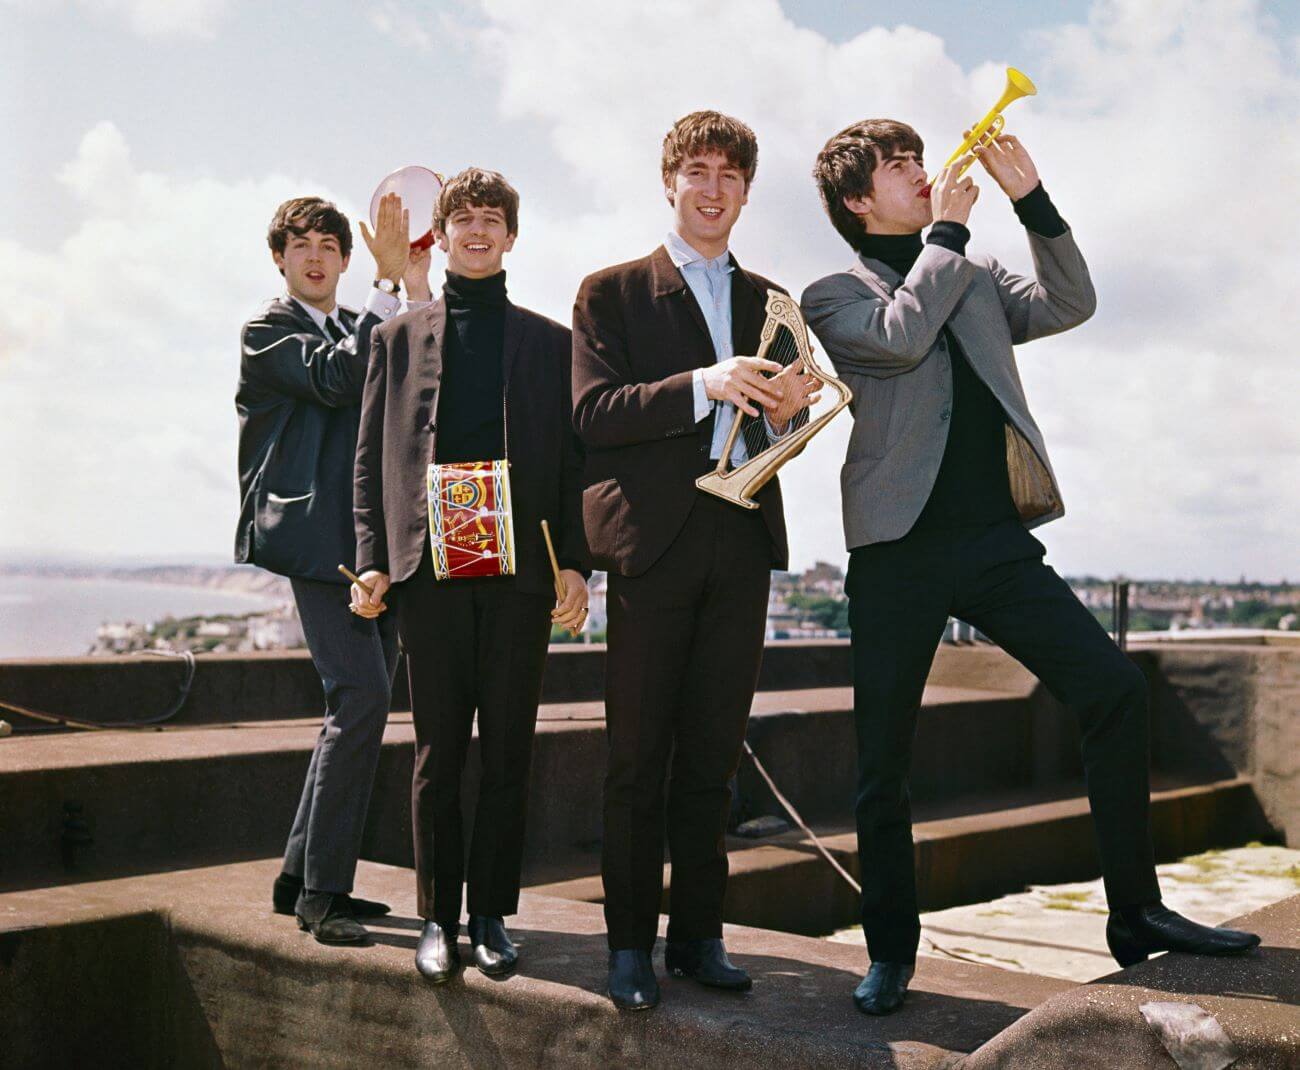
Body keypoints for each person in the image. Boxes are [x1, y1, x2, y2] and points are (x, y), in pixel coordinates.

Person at [801, 119, 1260, 1016]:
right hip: (895, 551)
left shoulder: (968, 270)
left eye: (918, 159)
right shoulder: (831, 294)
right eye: (900, 168)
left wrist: (1033, 202)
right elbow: (898, 338)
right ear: (859, 202)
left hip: (993, 541)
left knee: (1113, 689)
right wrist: (948, 236)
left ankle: (1136, 914)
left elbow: (1068, 303)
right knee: (880, 763)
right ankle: (891, 951)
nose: (925, 173)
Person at [571, 110, 818, 1011]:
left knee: (713, 759)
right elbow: (594, 415)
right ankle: (629, 946)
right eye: (697, 172)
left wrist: (791, 413)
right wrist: (699, 387)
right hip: (654, 549)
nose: (712, 189)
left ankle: (699, 939)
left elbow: (782, 426)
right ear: (669, 181)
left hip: (741, 540)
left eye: (729, 175)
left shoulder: (773, 299)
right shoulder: (609, 293)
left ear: (748, 191)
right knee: (636, 760)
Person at [351, 168, 588, 983]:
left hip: (520, 572)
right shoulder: (395, 337)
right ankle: (435, 920)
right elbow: (368, 459)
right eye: (464, 219)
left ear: (512, 237)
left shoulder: (553, 343)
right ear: (441, 235)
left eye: (493, 219)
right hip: (429, 571)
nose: (478, 231)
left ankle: (490, 918)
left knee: (510, 752)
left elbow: (572, 464)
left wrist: (579, 566)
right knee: (437, 753)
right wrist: (375, 557)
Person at [236, 193, 428, 944]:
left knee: (354, 706)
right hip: (317, 541)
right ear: (279, 259)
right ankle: (324, 894)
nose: (315, 256)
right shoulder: (267, 331)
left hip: (371, 543)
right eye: (299, 245)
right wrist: (385, 289)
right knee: (361, 698)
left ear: (344, 259)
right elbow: (334, 378)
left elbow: (419, 374)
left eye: (328, 245)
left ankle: (296, 878)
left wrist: (413, 285)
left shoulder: (362, 323)